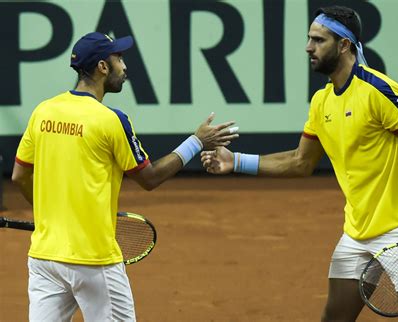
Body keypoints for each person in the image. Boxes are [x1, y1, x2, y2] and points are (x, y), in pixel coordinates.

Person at [201, 6, 398, 322]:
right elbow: (301, 162)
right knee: (335, 317)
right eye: (309, 39)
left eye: (318, 40)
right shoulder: (322, 101)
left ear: (344, 45)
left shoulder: (379, 91)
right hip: (356, 233)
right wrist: (236, 162)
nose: (308, 47)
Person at [11, 32, 238, 321]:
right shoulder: (111, 120)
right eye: (119, 58)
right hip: (94, 261)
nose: (125, 66)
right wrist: (196, 141)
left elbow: (19, 176)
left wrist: (50, 217)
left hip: (44, 258)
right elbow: (150, 178)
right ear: (103, 67)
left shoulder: (42, 112)